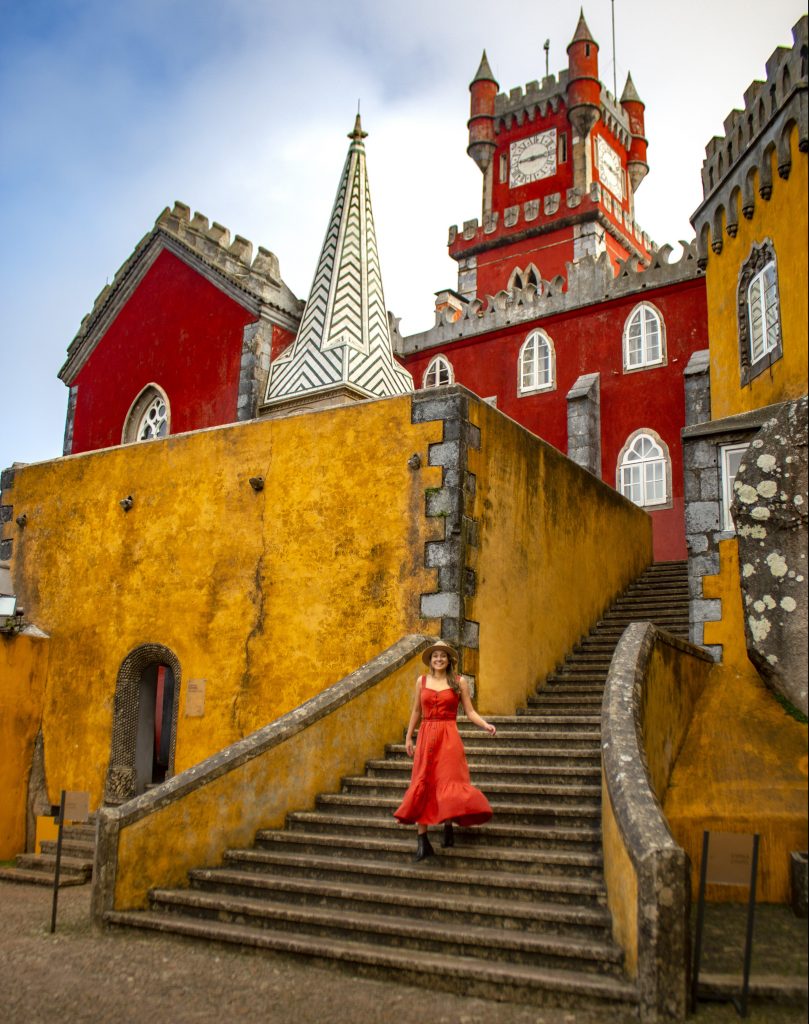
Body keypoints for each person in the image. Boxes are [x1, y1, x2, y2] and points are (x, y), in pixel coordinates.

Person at [393, 639, 497, 861]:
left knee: (448, 782)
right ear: (430, 660)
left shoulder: (460, 682)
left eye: (443, 655)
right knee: (424, 781)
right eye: (435, 656)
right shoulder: (421, 681)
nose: (439, 659)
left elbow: (469, 712)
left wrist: (485, 724)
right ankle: (422, 841)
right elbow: (416, 712)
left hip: (449, 737)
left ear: (449, 660)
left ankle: (448, 824)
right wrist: (409, 736)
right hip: (426, 735)